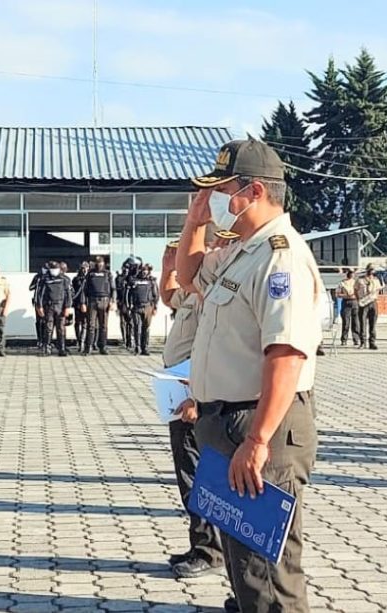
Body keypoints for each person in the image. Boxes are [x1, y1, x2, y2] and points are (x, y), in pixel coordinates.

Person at [176, 139, 321, 613]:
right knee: (244, 567)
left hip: (260, 425)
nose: (214, 199)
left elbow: (285, 353)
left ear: (254, 191)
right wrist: (195, 222)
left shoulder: (280, 257)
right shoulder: (242, 250)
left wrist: (257, 440)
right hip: (225, 422)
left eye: (221, 191)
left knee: (267, 573)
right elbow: (188, 276)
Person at [158, 242, 225, 580]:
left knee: (199, 475)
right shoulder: (192, 293)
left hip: (193, 398)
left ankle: (209, 550)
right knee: (186, 472)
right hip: (178, 392)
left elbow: (210, 349)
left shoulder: (210, 295)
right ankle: (199, 542)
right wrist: (167, 266)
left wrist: (197, 398)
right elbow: (168, 297)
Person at [36, 261, 73, 357]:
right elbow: (39, 294)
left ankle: (62, 349)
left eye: (55, 269)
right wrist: (39, 306)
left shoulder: (64, 279)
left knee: (61, 328)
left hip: (60, 306)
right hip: (49, 306)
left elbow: (68, 294)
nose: (54, 271)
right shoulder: (44, 279)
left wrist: (68, 307)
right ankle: (46, 349)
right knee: (48, 328)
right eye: (52, 269)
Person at [80, 256, 114, 355]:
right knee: (91, 325)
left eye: (101, 263)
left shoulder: (108, 274)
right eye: (97, 262)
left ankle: (103, 347)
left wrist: (113, 301)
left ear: (104, 263)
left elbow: (113, 289)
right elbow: (84, 290)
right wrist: (82, 303)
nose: (99, 264)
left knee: (103, 326)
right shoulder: (90, 274)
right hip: (92, 301)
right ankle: (88, 347)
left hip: (105, 301)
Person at [127, 263, 159, 356]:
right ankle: (137, 348)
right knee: (137, 327)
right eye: (142, 270)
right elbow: (128, 294)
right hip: (136, 307)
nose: (144, 272)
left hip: (148, 307)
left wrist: (155, 307)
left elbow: (156, 295)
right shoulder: (133, 280)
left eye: (146, 270)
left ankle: (145, 348)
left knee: (146, 328)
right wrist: (129, 306)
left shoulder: (152, 281)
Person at [355, 264, 382, 350]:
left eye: (373, 270)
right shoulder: (360, 280)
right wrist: (358, 299)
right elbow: (355, 290)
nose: (371, 271)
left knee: (372, 324)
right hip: (363, 303)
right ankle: (363, 343)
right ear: (367, 270)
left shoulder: (376, 280)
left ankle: (372, 343)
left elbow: (378, 291)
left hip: (373, 303)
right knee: (362, 324)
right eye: (370, 270)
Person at [334, 269, 360, 347]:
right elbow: (337, 294)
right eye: (350, 273)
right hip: (346, 302)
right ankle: (344, 339)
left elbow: (360, 293)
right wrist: (346, 295)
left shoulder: (356, 282)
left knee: (355, 322)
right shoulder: (342, 283)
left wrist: (355, 296)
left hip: (355, 302)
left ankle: (356, 339)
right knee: (346, 322)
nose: (351, 275)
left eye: (352, 273)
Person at [29, 265, 47, 349]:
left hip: (47, 302)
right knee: (39, 321)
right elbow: (30, 287)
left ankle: (46, 340)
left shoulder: (49, 277)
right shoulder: (37, 277)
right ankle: (39, 340)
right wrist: (37, 283)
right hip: (38, 302)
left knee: (46, 322)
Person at [72, 262, 89, 347]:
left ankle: (82, 341)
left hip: (87, 303)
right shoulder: (76, 279)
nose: (84, 269)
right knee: (77, 322)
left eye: (86, 268)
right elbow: (73, 291)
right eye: (82, 268)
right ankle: (78, 340)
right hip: (77, 303)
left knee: (85, 322)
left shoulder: (89, 278)